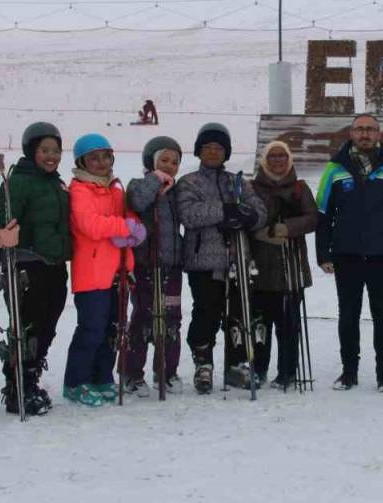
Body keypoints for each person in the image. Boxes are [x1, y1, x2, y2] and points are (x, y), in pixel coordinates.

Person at [315, 113, 383, 393]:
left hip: (382, 255)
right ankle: (349, 372)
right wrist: (323, 252)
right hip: (346, 255)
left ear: (379, 134)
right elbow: (322, 214)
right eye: (360, 129)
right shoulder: (334, 169)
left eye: (370, 129)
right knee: (348, 316)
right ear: (351, 133)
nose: (365, 134)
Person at [175, 122, 267, 394]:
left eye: (218, 148)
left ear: (226, 153)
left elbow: (258, 211)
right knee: (206, 313)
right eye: (207, 147)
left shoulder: (237, 182)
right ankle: (203, 364)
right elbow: (190, 215)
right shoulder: (189, 182)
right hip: (203, 260)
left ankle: (237, 365)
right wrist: (226, 211)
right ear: (199, 151)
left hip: (237, 259)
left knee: (239, 314)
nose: (213, 152)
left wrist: (248, 216)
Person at [0, 121, 70, 416]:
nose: (51, 156)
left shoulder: (56, 183)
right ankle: (16, 387)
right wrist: (1, 235)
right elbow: (0, 218)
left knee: (47, 327)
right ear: (31, 151)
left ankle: (31, 378)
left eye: (56, 151)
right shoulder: (19, 182)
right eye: (45, 150)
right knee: (28, 328)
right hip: (26, 265)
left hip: (54, 264)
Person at [64, 134, 144, 406]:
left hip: (117, 271)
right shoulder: (79, 189)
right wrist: (124, 228)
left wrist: (133, 226)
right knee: (92, 329)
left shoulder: (115, 188)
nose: (100, 163)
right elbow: (90, 225)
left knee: (113, 328)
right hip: (92, 273)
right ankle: (76, 381)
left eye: (104, 156)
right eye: (93, 158)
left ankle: (102, 377)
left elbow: (126, 215)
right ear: (82, 161)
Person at [249, 140, 318, 389]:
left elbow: (313, 218)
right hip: (260, 266)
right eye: (272, 156)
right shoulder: (252, 188)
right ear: (264, 160)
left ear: (289, 159)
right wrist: (259, 231)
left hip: (291, 265)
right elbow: (245, 217)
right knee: (260, 325)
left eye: (282, 156)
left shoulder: (300, 188)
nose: (277, 160)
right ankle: (258, 369)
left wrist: (288, 228)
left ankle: (287, 370)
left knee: (288, 324)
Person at [123, 136, 184, 397]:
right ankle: (132, 373)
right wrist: (155, 179)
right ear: (151, 161)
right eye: (164, 160)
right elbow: (137, 202)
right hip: (146, 264)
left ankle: (167, 371)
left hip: (171, 265)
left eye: (174, 162)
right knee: (143, 318)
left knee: (171, 319)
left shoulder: (176, 191)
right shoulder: (139, 184)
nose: (169, 166)